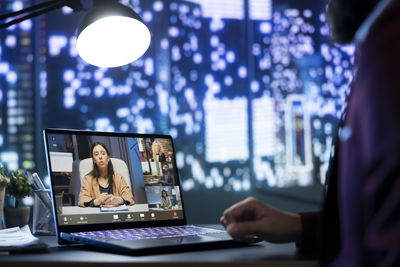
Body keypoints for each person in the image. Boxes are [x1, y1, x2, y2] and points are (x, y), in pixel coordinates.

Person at [220, 0, 400, 266]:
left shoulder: (390, 55)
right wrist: (299, 226)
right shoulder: (379, 49)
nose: (326, 7)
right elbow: (378, 216)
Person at [78, 142, 135, 207]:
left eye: (103, 153)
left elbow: (129, 198)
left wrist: (118, 200)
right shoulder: (88, 178)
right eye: (96, 154)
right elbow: (82, 200)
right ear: (94, 160)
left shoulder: (119, 178)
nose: (100, 157)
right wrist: (97, 201)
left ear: (108, 157)